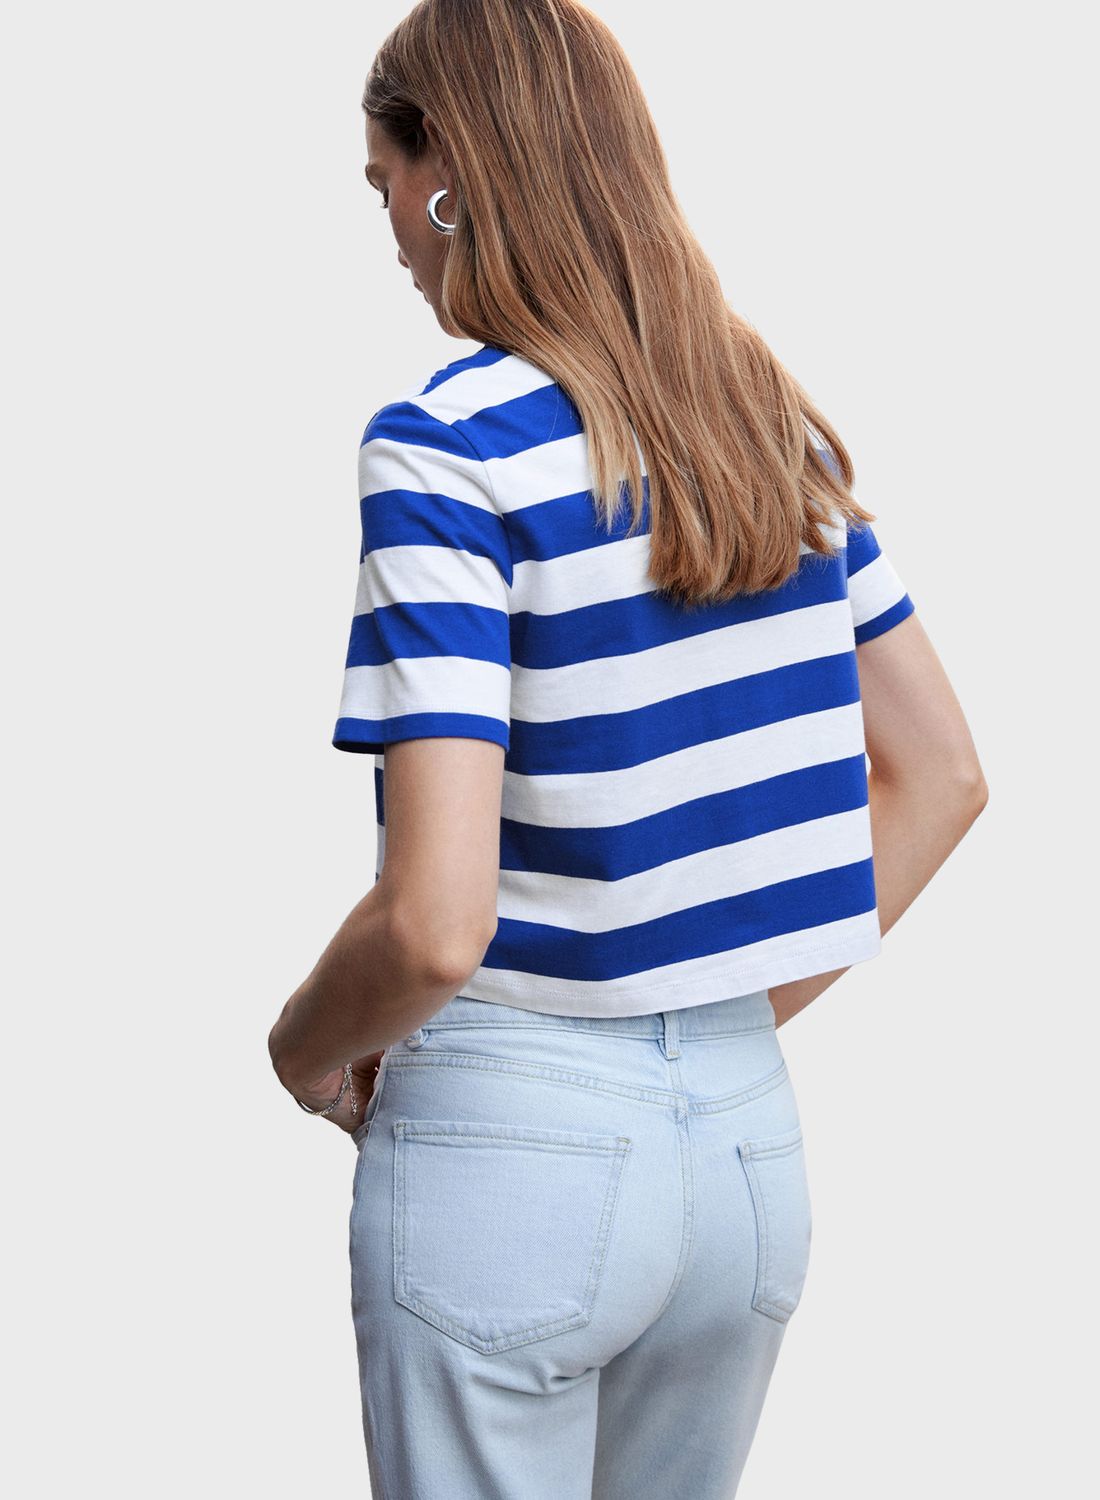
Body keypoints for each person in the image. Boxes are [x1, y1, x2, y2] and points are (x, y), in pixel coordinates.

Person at [266, 1, 989, 1494]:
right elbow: (944, 777)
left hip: (511, 1151)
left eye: (385, 179)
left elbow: (437, 921)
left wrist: (304, 1055)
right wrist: (704, 1035)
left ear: (453, 174)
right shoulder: (762, 420)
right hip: (745, 1156)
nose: (387, 225)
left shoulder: (445, 448)